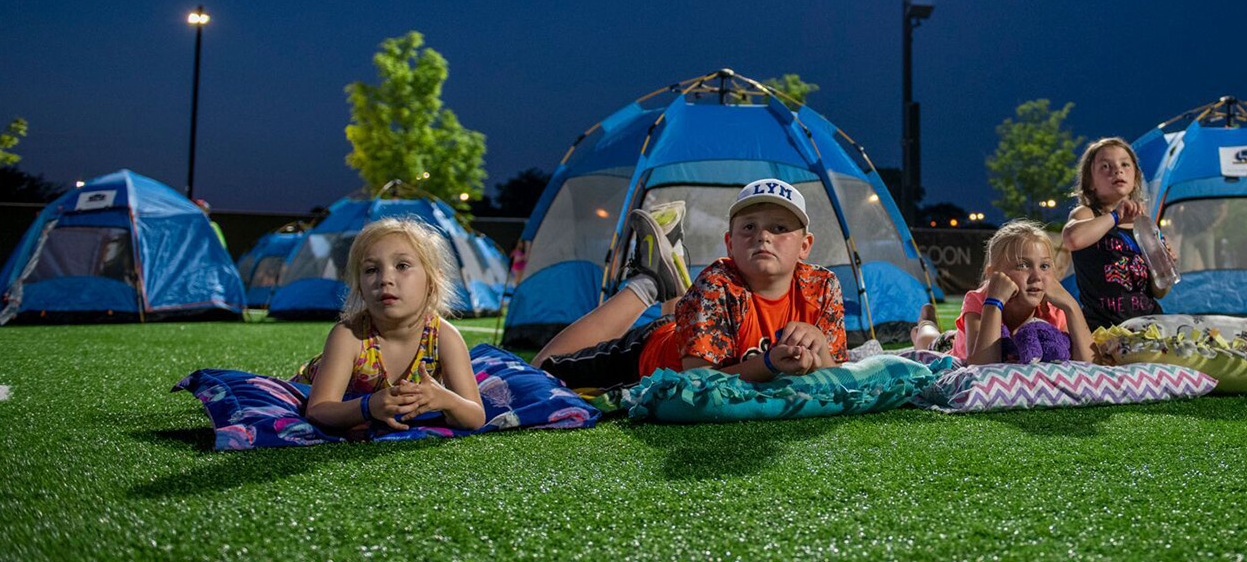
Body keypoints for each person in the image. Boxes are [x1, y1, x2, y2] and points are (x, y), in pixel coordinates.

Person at [531, 179, 847, 390]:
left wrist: (819, 344)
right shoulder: (718, 283)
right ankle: (649, 283)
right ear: (730, 244)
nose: (763, 236)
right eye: (749, 227)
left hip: (690, 327)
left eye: (780, 228)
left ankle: (672, 272)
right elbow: (698, 381)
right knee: (539, 373)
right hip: (647, 355)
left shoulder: (822, 285)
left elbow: (837, 377)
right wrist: (768, 364)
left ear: (805, 245)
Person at [297, 217, 486, 434]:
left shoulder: (444, 337)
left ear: (433, 281)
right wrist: (367, 407)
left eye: (402, 266)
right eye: (371, 270)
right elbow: (318, 410)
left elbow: (475, 416)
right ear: (359, 287)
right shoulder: (349, 335)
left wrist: (447, 400)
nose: (385, 279)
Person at [1061, 137, 1171, 328]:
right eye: (1105, 166)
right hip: (1104, 328)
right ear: (1090, 182)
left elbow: (1159, 291)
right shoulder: (1088, 214)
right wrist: (1115, 216)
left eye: (1125, 164)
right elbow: (1073, 238)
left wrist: (1165, 265)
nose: (1117, 170)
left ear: (1135, 177)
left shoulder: (1145, 225)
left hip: (1148, 324)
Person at [952, 220, 1093, 365]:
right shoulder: (980, 301)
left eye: (1044, 266)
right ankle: (927, 320)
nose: (1037, 276)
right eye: (1023, 265)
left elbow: (1091, 365)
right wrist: (994, 303)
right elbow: (982, 366)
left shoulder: (1053, 309)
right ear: (993, 274)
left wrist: (1071, 306)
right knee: (930, 337)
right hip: (953, 346)